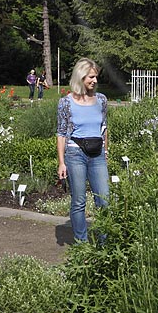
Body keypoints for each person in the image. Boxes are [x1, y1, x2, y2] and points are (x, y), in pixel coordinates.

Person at [56, 58, 109, 242]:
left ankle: (104, 243)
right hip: (75, 153)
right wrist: (61, 163)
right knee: (79, 201)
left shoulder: (101, 100)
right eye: (91, 77)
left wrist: (106, 152)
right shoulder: (66, 102)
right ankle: (82, 243)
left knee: (104, 200)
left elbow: (104, 128)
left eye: (96, 77)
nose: (94, 80)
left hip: (98, 155)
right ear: (81, 77)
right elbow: (61, 133)